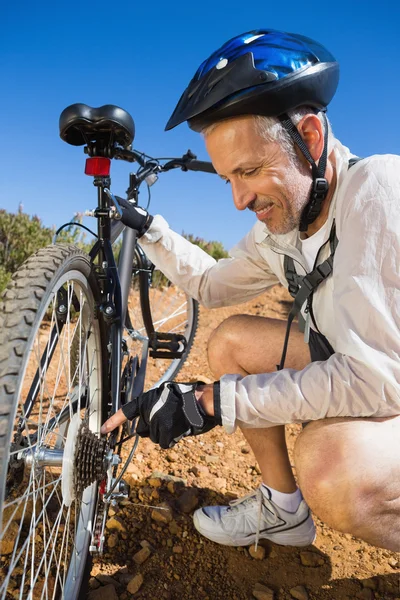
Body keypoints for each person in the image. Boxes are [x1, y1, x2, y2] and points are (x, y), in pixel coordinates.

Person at [101, 29, 400, 552]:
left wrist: (212, 403)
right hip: (366, 364)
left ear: (308, 138)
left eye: (250, 171)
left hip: (385, 376)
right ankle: (285, 512)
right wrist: (152, 230)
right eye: (226, 180)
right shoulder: (279, 231)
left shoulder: (377, 190)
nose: (239, 199)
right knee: (231, 341)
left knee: (331, 469)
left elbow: (376, 380)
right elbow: (212, 285)